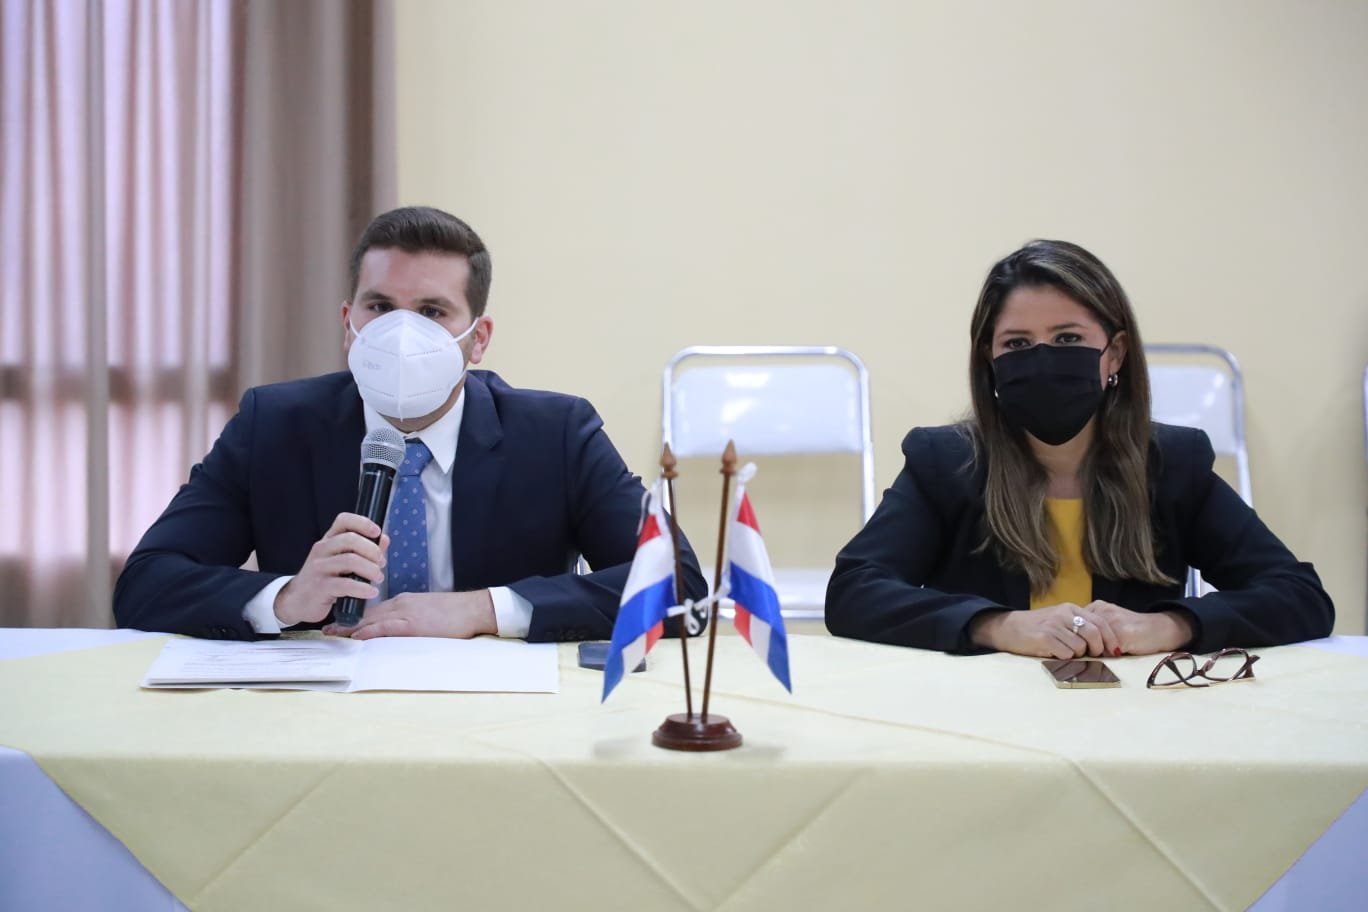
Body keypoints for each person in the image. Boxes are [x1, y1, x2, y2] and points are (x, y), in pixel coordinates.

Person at [114, 206, 707, 642]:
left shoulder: (555, 433)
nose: (401, 334)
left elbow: (680, 583)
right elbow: (145, 585)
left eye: (431, 312)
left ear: (478, 339)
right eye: (379, 307)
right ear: (349, 324)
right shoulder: (274, 424)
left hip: (496, 715)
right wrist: (287, 598)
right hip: (320, 711)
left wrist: (483, 610)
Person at [826, 239, 1333, 658]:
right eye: (1017, 345)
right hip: (988, 714)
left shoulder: (1172, 463)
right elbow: (853, 593)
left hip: (1135, 715)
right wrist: (996, 626)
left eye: (1067, 339)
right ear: (990, 359)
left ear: (1114, 353)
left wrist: (1171, 627)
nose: (1043, 360)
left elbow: (1299, 596)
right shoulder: (946, 462)